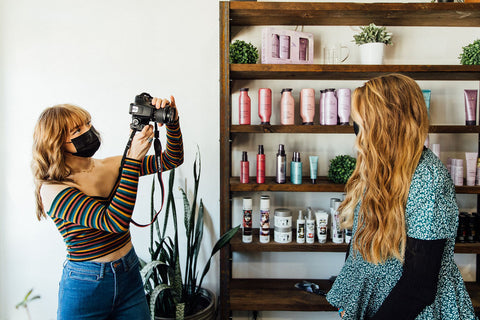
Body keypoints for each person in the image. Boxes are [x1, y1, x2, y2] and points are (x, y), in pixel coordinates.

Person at [326, 74, 477, 320]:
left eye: (361, 122)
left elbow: (418, 287)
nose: (357, 132)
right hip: (378, 301)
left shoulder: (428, 179)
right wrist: (349, 291)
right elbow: (360, 237)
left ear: (387, 124)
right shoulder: (381, 166)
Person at [31, 95, 183, 319]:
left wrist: (172, 123)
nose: (88, 131)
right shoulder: (53, 189)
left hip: (129, 273)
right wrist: (131, 162)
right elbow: (113, 222)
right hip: (87, 285)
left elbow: (171, 159)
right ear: (55, 143)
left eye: (88, 123)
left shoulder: (109, 165)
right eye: (76, 130)